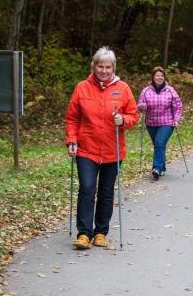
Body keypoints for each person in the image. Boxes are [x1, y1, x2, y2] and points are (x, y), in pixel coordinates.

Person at [65, 46, 139, 249]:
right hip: (86, 148)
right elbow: (72, 118)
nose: (104, 70)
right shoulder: (82, 87)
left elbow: (134, 116)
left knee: (106, 191)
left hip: (113, 150)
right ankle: (84, 233)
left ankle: (100, 232)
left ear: (113, 67)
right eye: (100, 66)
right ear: (94, 66)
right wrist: (71, 140)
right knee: (87, 189)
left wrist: (123, 119)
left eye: (108, 67)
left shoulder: (123, 88)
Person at [138, 66, 182, 180]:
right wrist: (142, 107)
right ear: (153, 77)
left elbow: (178, 106)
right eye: (157, 76)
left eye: (161, 76)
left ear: (164, 77)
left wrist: (176, 119)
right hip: (151, 123)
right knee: (159, 145)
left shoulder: (170, 90)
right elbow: (140, 105)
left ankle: (156, 168)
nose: (159, 78)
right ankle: (162, 167)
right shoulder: (146, 91)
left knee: (159, 141)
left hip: (167, 122)